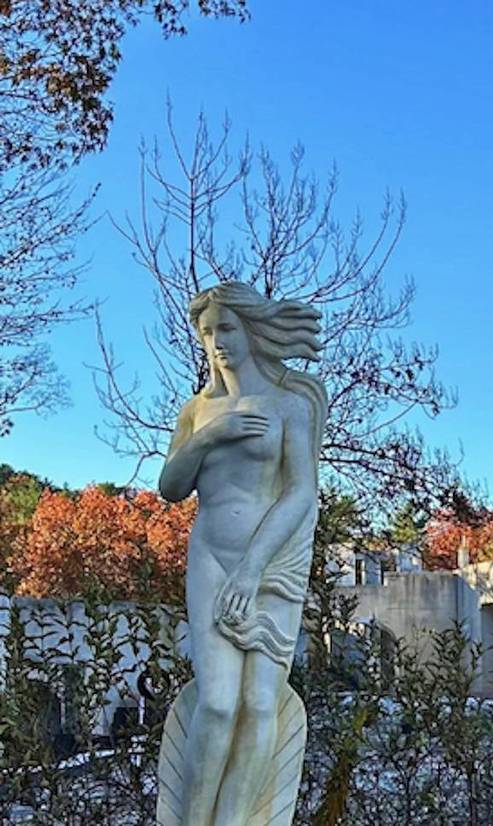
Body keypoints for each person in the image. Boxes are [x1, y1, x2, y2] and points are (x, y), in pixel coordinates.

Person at [158, 281, 326, 825]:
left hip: (272, 566)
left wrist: (253, 569)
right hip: (211, 557)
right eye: (208, 333)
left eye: (227, 328)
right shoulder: (197, 410)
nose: (218, 342)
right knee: (216, 703)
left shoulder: (289, 405)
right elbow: (171, 487)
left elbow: (301, 493)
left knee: (260, 705)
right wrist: (210, 435)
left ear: (251, 330)